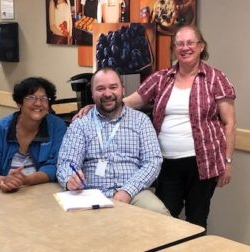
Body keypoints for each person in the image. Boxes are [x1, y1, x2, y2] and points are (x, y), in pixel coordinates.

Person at [74, 25, 236, 229]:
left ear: (201, 46)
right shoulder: (162, 77)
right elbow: (132, 101)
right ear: (174, 48)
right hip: (166, 164)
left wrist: (227, 161)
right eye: (179, 44)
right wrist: (98, 105)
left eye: (190, 43)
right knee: (162, 220)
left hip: (203, 163)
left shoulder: (216, 79)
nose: (185, 48)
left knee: (197, 218)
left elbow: (230, 123)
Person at [56, 67, 170, 215]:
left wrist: (127, 191)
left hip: (134, 192)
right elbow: (66, 163)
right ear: (92, 94)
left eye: (113, 87)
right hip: (91, 193)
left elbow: (153, 161)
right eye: (100, 89)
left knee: (159, 213)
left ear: (123, 89)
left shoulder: (141, 121)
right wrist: (69, 179)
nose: (107, 94)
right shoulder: (80, 124)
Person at [0, 77, 67, 193]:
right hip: (3, 194)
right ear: (19, 103)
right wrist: (4, 181)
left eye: (43, 98)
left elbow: (56, 167)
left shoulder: (57, 126)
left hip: (42, 192)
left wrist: (26, 180)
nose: (38, 103)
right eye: (31, 98)